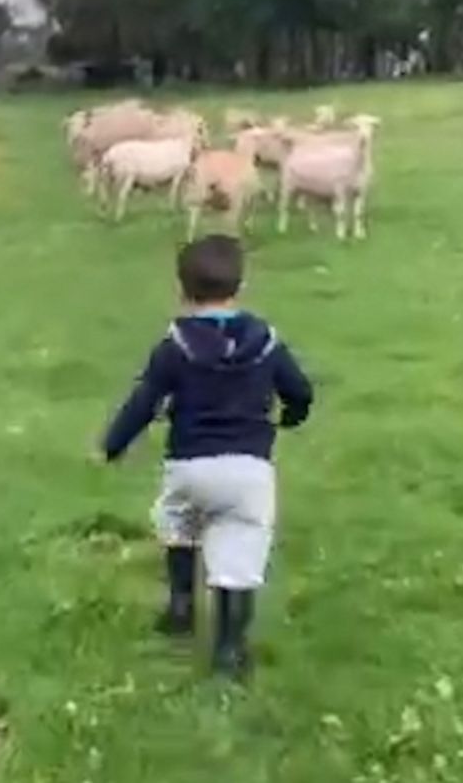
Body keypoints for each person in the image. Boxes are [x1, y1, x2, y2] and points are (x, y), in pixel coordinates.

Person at [98, 235, 314, 680]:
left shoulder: (175, 346)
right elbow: (300, 390)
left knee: (178, 523)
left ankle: (180, 604)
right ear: (242, 284)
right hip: (249, 469)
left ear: (181, 288)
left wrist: (113, 444)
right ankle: (229, 650)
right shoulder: (267, 342)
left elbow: (143, 402)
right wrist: (291, 415)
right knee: (240, 552)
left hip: (190, 465)